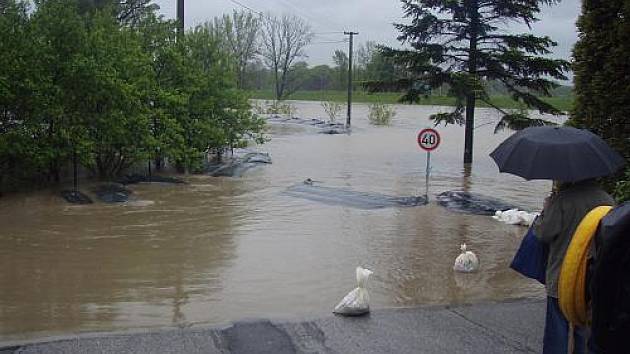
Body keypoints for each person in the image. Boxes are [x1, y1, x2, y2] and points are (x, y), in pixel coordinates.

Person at [533, 179, 614, 354]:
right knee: (584, 325)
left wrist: (545, 211)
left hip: (563, 275)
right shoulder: (607, 200)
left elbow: (543, 233)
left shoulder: (561, 200)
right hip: (593, 274)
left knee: (557, 326)